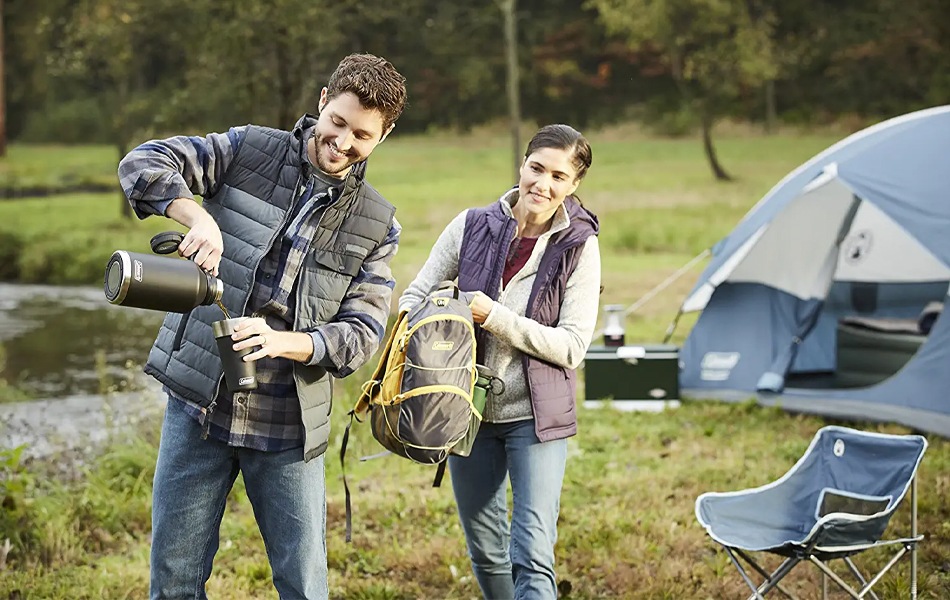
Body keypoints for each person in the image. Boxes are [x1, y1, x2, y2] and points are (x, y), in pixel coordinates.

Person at [117, 54, 407, 600]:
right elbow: (144, 161)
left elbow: (362, 335)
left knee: (302, 586)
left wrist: (285, 343)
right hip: (198, 403)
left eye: (361, 135)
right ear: (323, 101)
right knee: (174, 582)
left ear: (383, 136)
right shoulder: (248, 149)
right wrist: (196, 215)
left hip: (288, 424)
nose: (342, 143)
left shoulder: (379, 223)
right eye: (338, 123)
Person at [398, 124, 601, 599]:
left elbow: (572, 346)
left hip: (535, 416)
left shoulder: (579, 247)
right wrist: (445, 316)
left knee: (532, 553)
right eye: (536, 168)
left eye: (558, 176)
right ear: (522, 165)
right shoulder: (470, 225)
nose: (542, 184)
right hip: (463, 413)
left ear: (573, 185)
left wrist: (495, 317)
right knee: (487, 552)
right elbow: (411, 302)